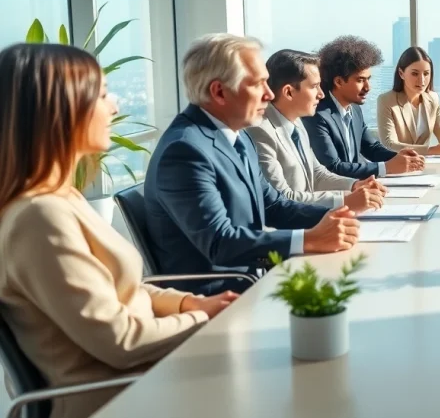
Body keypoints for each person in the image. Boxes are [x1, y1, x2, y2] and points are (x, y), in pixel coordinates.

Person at [0, 43, 237, 418]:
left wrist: (187, 303)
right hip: (121, 398)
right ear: (59, 109)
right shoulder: (39, 219)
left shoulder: (63, 199)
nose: (115, 108)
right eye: (104, 95)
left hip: (145, 380)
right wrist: (204, 318)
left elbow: (119, 289)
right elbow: (121, 342)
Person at [145, 34, 361, 295]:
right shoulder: (184, 151)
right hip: (220, 297)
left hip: (255, 278)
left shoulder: (238, 136)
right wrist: (310, 238)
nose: (270, 95)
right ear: (219, 92)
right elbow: (220, 243)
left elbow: (273, 205)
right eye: (258, 84)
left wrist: (337, 216)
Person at [248, 49, 386, 210]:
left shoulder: (297, 122)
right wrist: (344, 200)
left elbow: (317, 173)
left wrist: (355, 185)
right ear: (289, 92)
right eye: (314, 87)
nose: (321, 94)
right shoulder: (260, 132)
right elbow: (282, 197)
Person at [305, 36, 425, 179]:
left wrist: (399, 157)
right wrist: (387, 167)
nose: (368, 87)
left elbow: (371, 148)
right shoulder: (318, 115)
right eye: (360, 80)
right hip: (337, 194)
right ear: (338, 81)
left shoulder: (354, 109)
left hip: (357, 188)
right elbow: (333, 167)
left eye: (368, 79)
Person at [377, 46, 440, 155]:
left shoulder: (433, 98)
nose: (422, 80)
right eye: (415, 74)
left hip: (425, 164)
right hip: (397, 164)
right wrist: (431, 150)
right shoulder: (386, 100)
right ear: (401, 73)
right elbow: (389, 144)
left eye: (426, 73)